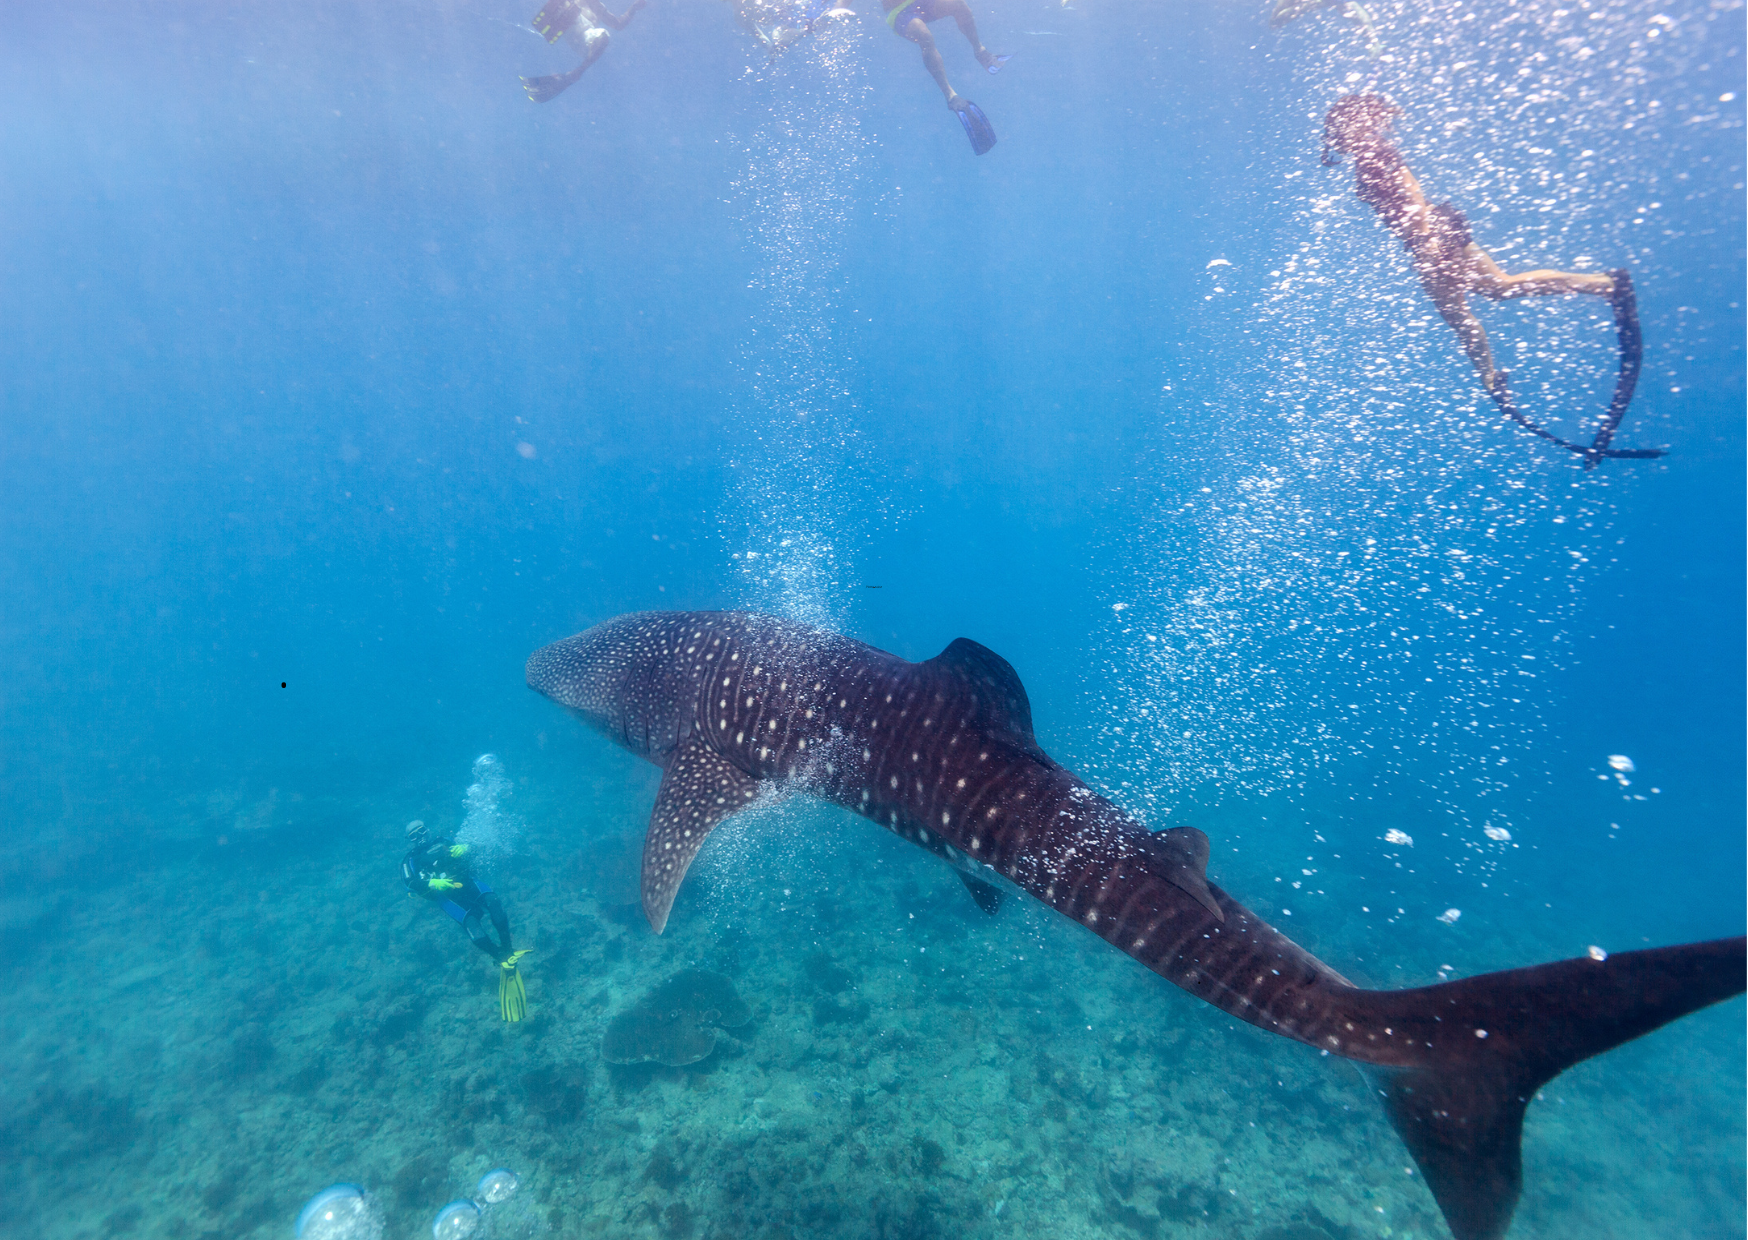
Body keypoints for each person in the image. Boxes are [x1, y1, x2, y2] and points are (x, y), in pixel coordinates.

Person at [1322, 94, 1660, 466]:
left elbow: (1411, 189)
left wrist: (1425, 240)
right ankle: (1603, 285)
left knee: (1465, 313)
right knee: (1498, 288)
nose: (1337, 137)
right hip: (1432, 232)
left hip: (1429, 234)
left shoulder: (1374, 151)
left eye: (1340, 127)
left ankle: (1492, 375)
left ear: (1355, 122)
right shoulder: (1367, 156)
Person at [401, 820, 531, 1020]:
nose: (421, 837)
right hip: (446, 896)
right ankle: (500, 957)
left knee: (493, 902)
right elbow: (409, 881)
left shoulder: (445, 841)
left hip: (468, 883)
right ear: (409, 840)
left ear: (428, 829)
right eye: (414, 836)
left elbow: (474, 852)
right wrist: (431, 882)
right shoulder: (410, 860)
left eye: (422, 831)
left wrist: (466, 848)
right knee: (471, 922)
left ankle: (508, 949)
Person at [881, 0, 1011, 155]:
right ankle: (951, 95)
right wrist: (842, 8)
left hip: (920, 2)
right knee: (924, 36)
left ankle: (980, 51)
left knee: (959, 5)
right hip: (898, 13)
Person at [520, 0, 648, 103]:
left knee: (603, 36)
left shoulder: (596, 5)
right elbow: (618, 25)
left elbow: (618, 24)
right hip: (573, 34)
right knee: (601, 35)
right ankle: (576, 72)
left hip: (584, 39)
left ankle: (576, 73)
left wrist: (634, 8)